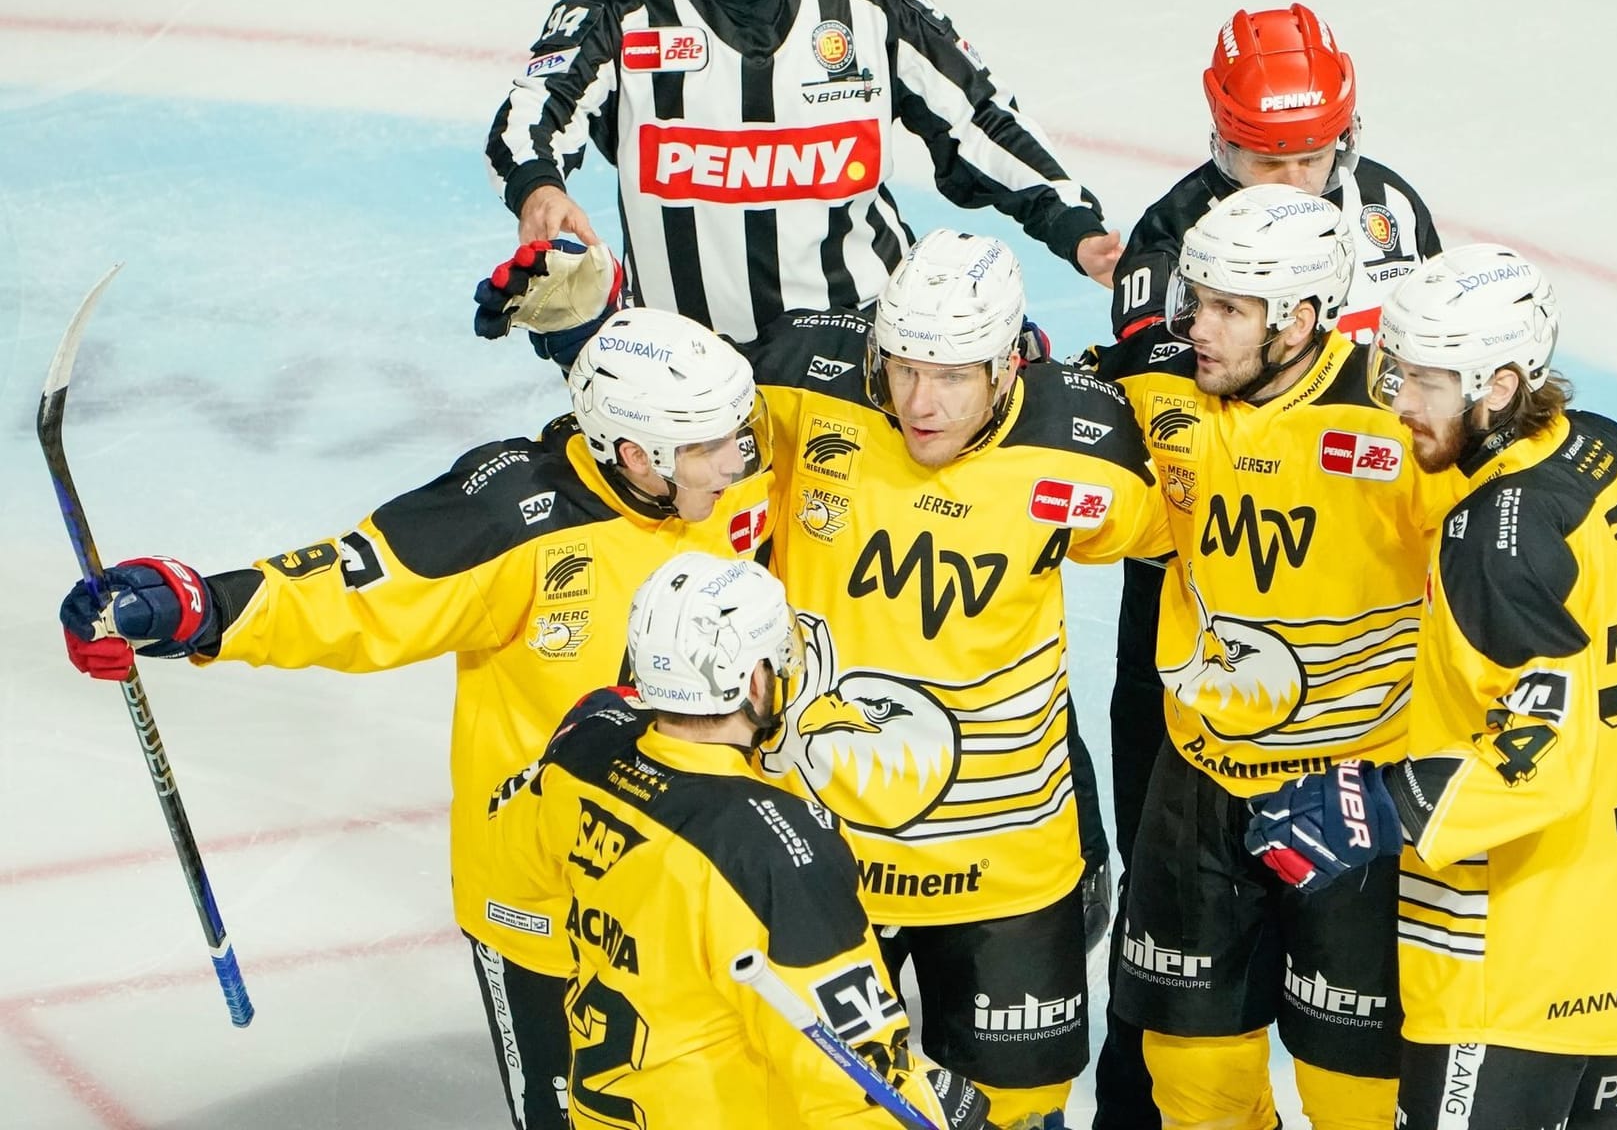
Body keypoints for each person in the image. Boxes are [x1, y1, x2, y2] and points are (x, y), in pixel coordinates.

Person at [57, 309, 777, 1130]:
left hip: (709, 881)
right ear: (633, 454)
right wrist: (199, 606)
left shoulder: (729, 471)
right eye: (711, 447)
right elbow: (348, 590)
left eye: (736, 438)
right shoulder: (510, 518)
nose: (738, 462)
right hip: (548, 904)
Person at [1245, 245, 1617, 1130]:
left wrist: (1381, 805)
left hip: (1512, 962)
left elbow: (1542, 754)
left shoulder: (1486, 541)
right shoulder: (1606, 457)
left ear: (1500, 386)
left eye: (1425, 383)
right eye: (1395, 373)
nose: (1398, 402)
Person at [1090, 6, 1444, 1129]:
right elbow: (1180, 438)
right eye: (1261, 156)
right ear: (1216, 140)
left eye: (1310, 154)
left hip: (1362, 602)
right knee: (1179, 936)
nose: (1289, 177)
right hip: (1214, 587)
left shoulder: (1391, 207)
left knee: (1366, 1044)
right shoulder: (1169, 244)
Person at [744, 228, 1175, 1129]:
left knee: (1013, 1117)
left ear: (1011, 365)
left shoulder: (1086, 443)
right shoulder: (801, 378)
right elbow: (663, 434)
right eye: (901, 368)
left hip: (1005, 874)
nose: (919, 402)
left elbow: (1203, 528)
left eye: (950, 376)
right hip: (823, 856)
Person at [482, 0, 1122, 350]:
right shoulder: (616, 6)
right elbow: (533, 113)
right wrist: (540, 186)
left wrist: (1076, 228)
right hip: (685, 357)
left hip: (866, 340)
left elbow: (977, 118)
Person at [483, 552, 991, 1129]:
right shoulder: (774, 848)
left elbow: (510, 868)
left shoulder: (585, 750)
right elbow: (860, 1087)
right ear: (755, 679)